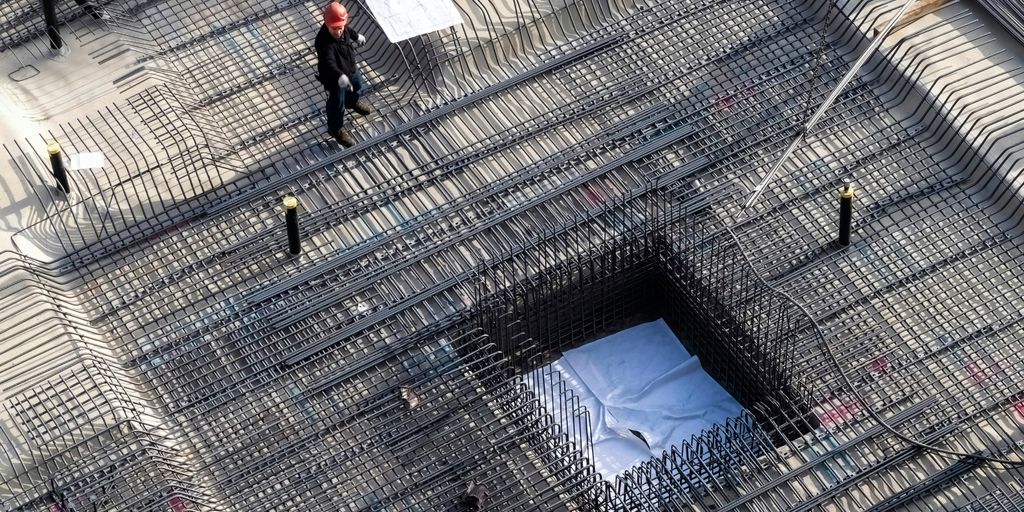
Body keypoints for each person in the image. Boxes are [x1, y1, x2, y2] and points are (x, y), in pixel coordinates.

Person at [315, 1, 374, 147]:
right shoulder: (323, 42)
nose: (338, 31)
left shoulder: (343, 28)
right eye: (334, 28)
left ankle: (352, 102)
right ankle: (336, 128)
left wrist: (356, 36)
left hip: (350, 68)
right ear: (326, 24)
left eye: (340, 27)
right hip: (334, 78)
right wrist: (339, 76)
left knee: (357, 85)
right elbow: (328, 62)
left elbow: (348, 30)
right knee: (337, 103)